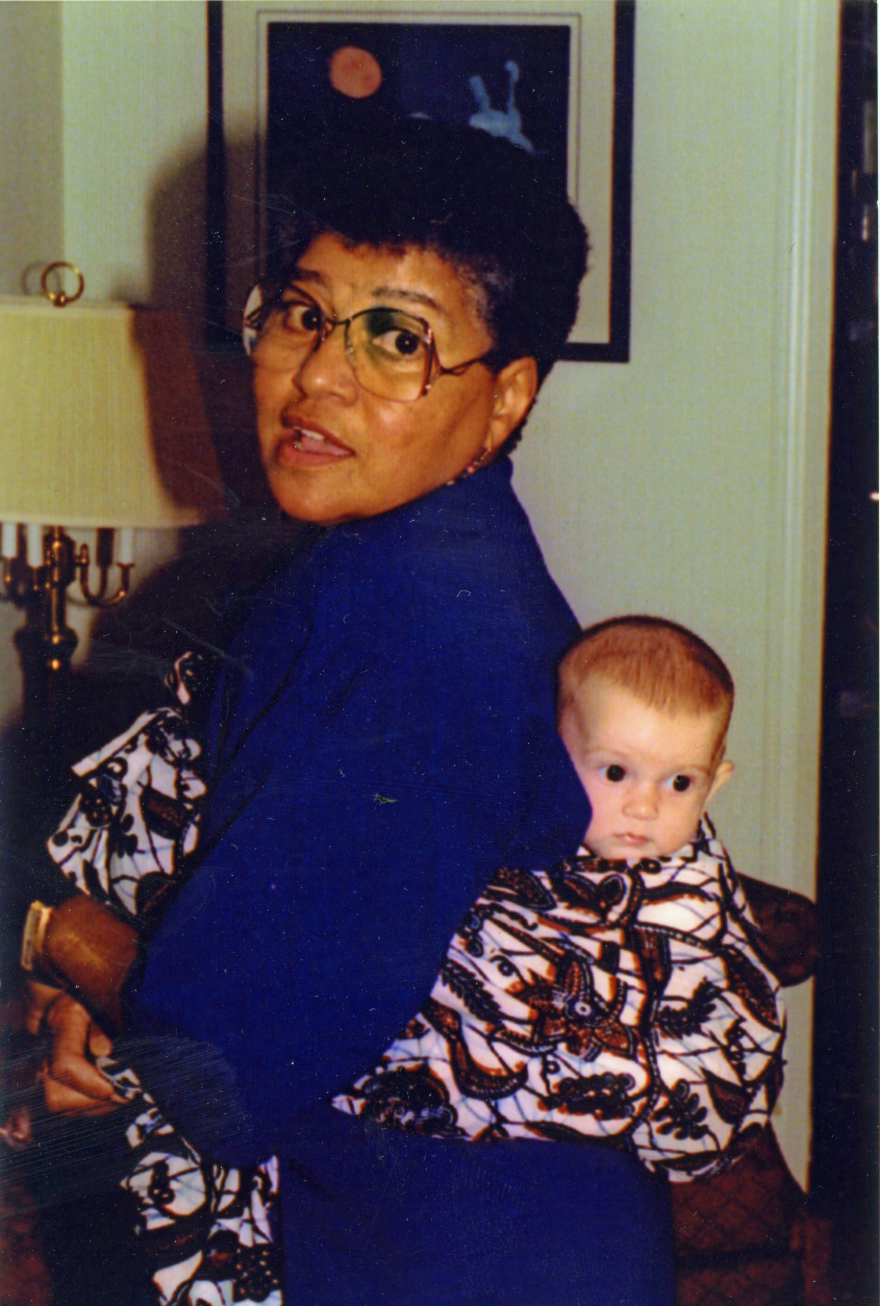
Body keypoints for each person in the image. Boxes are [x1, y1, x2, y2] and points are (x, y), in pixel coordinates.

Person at [25, 119, 675, 1305]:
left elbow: (227, 1069)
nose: (319, 376)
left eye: (398, 339)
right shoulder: (411, 564)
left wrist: (54, 932)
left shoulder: (406, 621)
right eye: (302, 313)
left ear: (505, 397)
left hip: (437, 1256)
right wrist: (120, 1004)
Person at [335, 617, 785, 1178]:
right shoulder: (529, 829)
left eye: (680, 783)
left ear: (715, 784)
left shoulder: (689, 887)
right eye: (616, 772)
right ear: (556, 757)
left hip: (666, 1083)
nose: (644, 807)